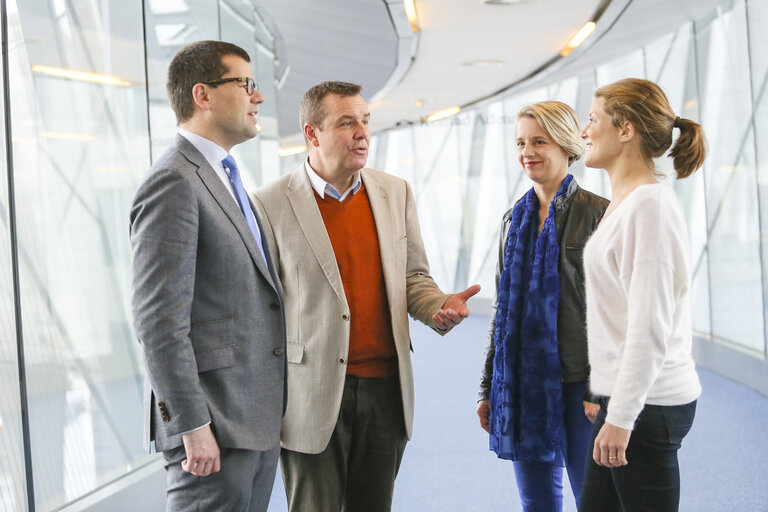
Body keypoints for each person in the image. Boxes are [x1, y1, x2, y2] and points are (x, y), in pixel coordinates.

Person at [253, 80, 480, 511]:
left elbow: (414, 276)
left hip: (385, 392)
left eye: (365, 121)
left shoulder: (395, 192)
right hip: (311, 392)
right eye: (346, 122)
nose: (362, 132)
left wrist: (437, 307)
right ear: (311, 133)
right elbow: (261, 305)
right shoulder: (268, 204)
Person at [130, 40, 285, 512]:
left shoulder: (227, 178)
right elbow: (158, 322)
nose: (257, 97)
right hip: (212, 426)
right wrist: (191, 426)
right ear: (203, 95)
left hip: (251, 418)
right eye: (246, 84)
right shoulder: (174, 181)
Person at [579, 78, 706, 511]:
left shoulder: (649, 207)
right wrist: (605, 393)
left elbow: (650, 325)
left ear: (626, 130)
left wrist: (622, 415)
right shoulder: (624, 202)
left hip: (649, 406)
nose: (584, 130)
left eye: (593, 119)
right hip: (627, 398)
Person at [476, 101, 608, 511]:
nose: (527, 152)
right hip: (523, 386)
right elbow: (501, 312)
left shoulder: (599, 215)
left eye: (539, 141)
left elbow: (612, 313)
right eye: (520, 142)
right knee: (537, 504)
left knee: (595, 500)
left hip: (579, 386)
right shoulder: (511, 222)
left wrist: (600, 389)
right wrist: (487, 387)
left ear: (567, 146)